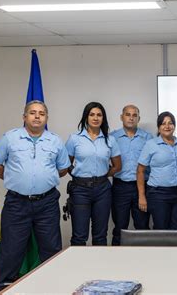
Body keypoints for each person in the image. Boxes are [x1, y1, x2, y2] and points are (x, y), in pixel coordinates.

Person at [0, 100, 70, 283]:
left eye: (41, 113)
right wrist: (14, 178)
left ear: (47, 118)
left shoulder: (55, 140)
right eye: (32, 113)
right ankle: (3, 287)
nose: (37, 116)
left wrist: (44, 178)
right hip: (17, 204)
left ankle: (53, 284)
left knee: (51, 248)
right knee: (11, 249)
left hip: (47, 203)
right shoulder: (10, 138)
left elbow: (63, 168)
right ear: (24, 117)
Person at [65, 102, 121, 246]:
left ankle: (99, 267)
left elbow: (117, 166)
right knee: (79, 236)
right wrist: (78, 175)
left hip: (103, 190)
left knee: (100, 235)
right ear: (86, 117)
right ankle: (79, 268)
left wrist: (102, 175)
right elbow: (66, 164)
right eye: (92, 114)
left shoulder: (110, 140)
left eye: (99, 115)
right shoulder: (74, 138)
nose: (95, 118)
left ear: (103, 118)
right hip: (80, 190)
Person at [136, 112, 177, 229]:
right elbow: (140, 171)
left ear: (174, 126)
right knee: (161, 230)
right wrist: (142, 196)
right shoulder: (151, 144)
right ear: (159, 127)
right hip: (158, 194)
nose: (167, 126)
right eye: (163, 123)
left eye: (170, 123)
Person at [110, 105, 152, 245]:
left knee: (142, 227)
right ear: (121, 117)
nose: (131, 118)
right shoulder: (112, 138)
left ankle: (143, 262)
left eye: (134, 115)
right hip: (120, 188)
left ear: (138, 118)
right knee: (120, 227)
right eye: (128, 114)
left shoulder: (147, 138)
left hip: (141, 188)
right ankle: (117, 262)